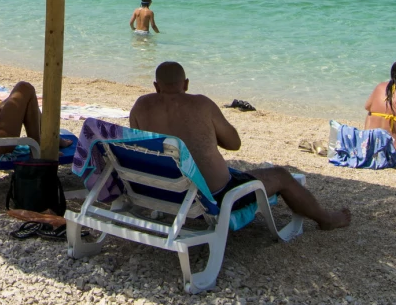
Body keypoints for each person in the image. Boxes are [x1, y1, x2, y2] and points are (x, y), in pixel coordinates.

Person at [132, 61, 349, 229]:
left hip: (163, 189)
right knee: (281, 175)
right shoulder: (202, 104)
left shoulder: (140, 106)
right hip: (214, 197)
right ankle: (327, 219)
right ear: (186, 84)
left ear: (156, 86)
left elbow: (138, 146)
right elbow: (234, 144)